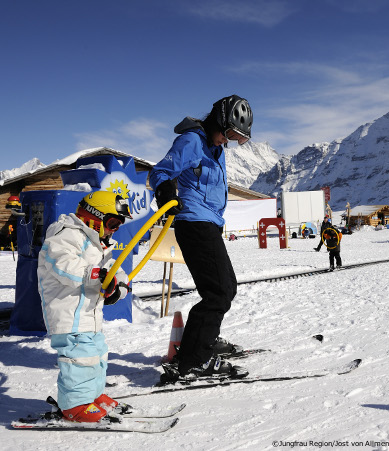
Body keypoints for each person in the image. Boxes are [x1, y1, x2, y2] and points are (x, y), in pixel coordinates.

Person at [149, 94, 253, 380]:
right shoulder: (192, 141)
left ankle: (202, 341)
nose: (228, 140)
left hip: (209, 224)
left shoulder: (214, 148)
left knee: (226, 288)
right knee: (218, 292)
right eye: (229, 133)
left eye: (237, 138)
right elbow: (160, 172)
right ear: (218, 122)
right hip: (194, 223)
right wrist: (166, 191)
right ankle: (194, 359)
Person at [37, 191, 132, 422]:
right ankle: (74, 406)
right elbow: (64, 265)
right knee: (79, 359)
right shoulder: (65, 235)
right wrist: (98, 275)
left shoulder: (98, 244)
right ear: (94, 216)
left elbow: (114, 269)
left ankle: (93, 395)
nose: (113, 230)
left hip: (89, 314)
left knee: (97, 355)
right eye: (111, 223)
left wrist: (119, 286)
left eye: (118, 226)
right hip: (68, 313)